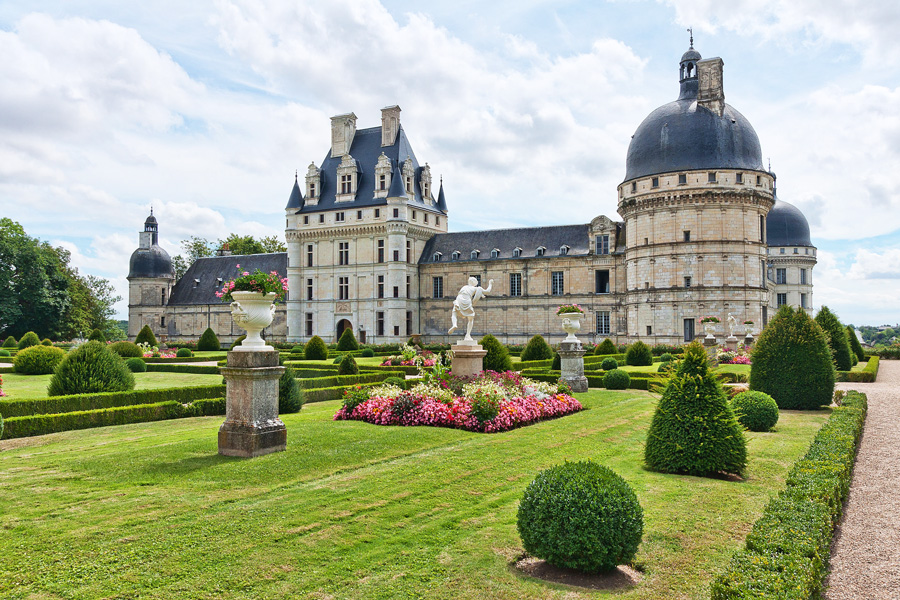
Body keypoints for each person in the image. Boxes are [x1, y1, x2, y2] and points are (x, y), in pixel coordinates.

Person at [448, 277, 493, 341]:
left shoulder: (464, 287)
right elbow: (487, 291)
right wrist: (490, 283)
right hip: (467, 300)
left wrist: (480, 294)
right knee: (470, 319)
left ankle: (454, 324)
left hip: (459, 299)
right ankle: (468, 335)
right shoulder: (476, 288)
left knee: (454, 313)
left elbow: (473, 292)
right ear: (474, 282)